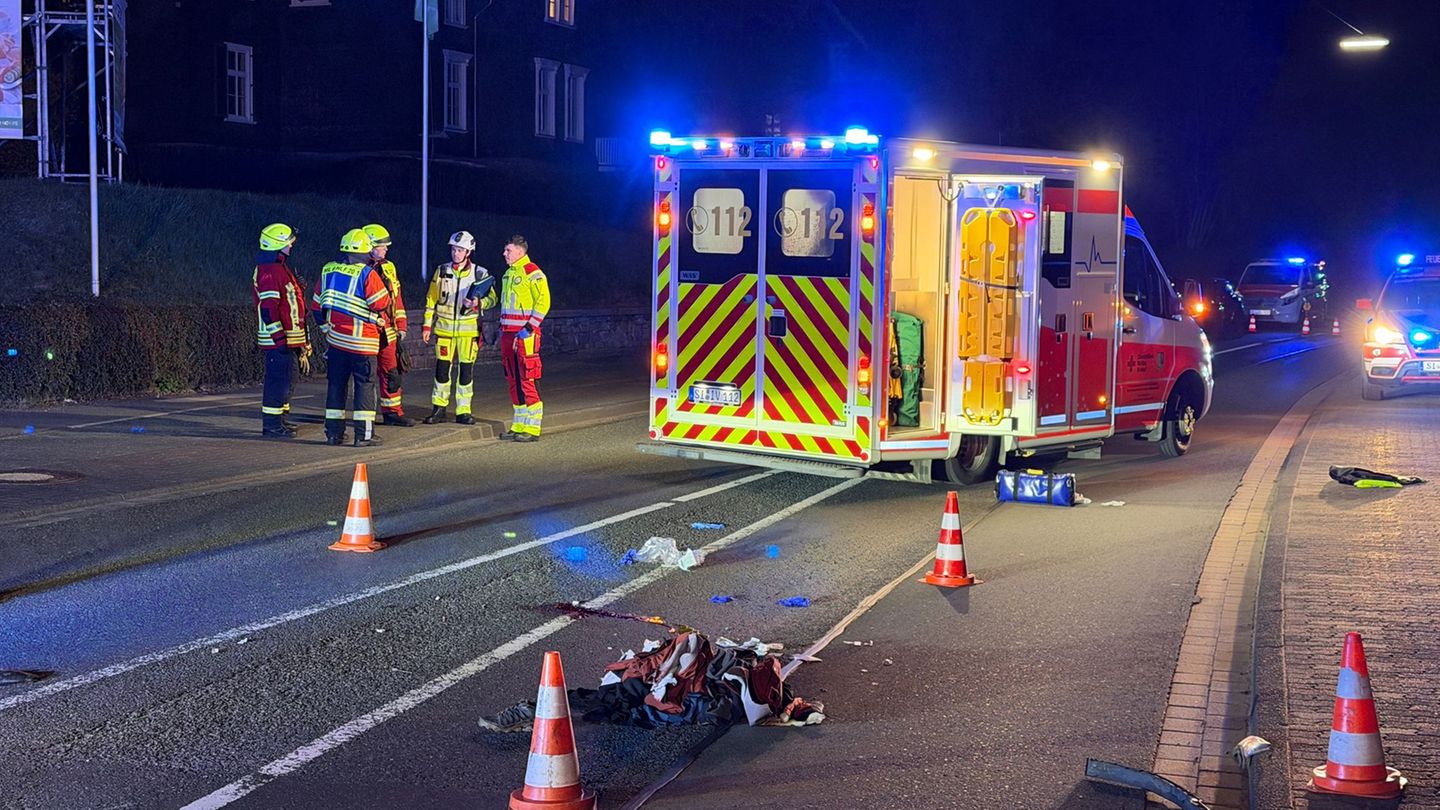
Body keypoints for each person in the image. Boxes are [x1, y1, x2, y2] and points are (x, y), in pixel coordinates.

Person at [312, 228, 391, 447]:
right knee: (364, 387)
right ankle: (363, 436)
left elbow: (317, 307)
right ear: (366, 251)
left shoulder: (328, 270)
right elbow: (380, 303)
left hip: (336, 342)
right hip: (363, 344)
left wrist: (327, 330)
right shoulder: (367, 274)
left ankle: (333, 434)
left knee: (336, 386)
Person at [421, 230, 496, 425]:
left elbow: (493, 299)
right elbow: (431, 299)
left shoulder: (480, 273)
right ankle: (439, 408)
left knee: (465, 372)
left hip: (468, 333)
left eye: (460, 250)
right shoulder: (441, 270)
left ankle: (463, 411)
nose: (455, 253)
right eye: (454, 249)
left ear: (468, 252)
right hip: (444, 331)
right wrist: (427, 325)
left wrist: (478, 303)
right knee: (442, 370)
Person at [252, 223, 311, 438]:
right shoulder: (270, 270)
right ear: (277, 244)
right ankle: (272, 425)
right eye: (289, 242)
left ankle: (281, 420)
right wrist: (279, 338)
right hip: (278, 340)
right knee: (277, 382)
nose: (291, 245)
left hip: (288, 338)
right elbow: (269, 308)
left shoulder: (279, 267)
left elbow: (288, 302)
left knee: (288, 380)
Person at [498, 234, 551, 442]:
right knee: (513, 379)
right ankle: (519, 425)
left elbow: (544, 302)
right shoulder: (507, 274)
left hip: (525, 334)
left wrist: (529, 327)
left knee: (527, 378)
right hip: (508, 334)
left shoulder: (532, 272)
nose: (504, 253)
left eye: (508, 250)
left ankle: (533, 428)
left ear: (520, 252)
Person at [362, 223, 413, 427]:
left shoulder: (389, 267)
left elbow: (396, 298)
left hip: (387, 330)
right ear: (369, 246)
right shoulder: (359, 269)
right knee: (366, 375)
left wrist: (401, 325)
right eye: (382, 246)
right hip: (366, 329)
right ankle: (364, 416)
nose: (386, 249)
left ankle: (392, 413)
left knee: (391, 372)